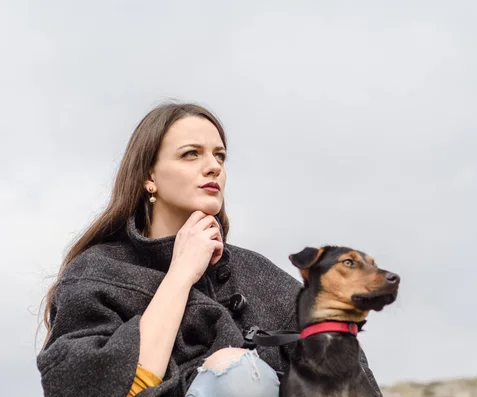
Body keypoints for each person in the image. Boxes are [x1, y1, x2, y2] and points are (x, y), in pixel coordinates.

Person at [37, 102, 382, 397]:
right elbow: (103, 388)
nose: (214, 166)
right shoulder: (98, 271)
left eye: (220, 156)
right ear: (149, 176)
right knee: (234, 371)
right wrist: (181, 273)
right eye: (191, 154)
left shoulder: (260, 277)